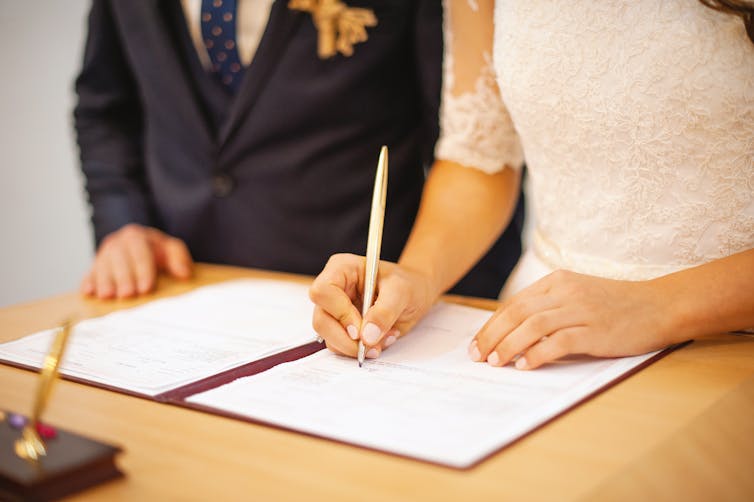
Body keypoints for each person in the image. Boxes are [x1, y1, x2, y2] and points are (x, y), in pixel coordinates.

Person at [309, 0, 754, 368]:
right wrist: (418, 276)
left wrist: (658, 305)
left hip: (728, 342)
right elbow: (480, 155)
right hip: (541, 339)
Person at [74, 0, 525, 300]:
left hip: (358, 303)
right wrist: (123, 222)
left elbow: (474, 144)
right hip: (179, 290)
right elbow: (106, 107)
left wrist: (456, 302)